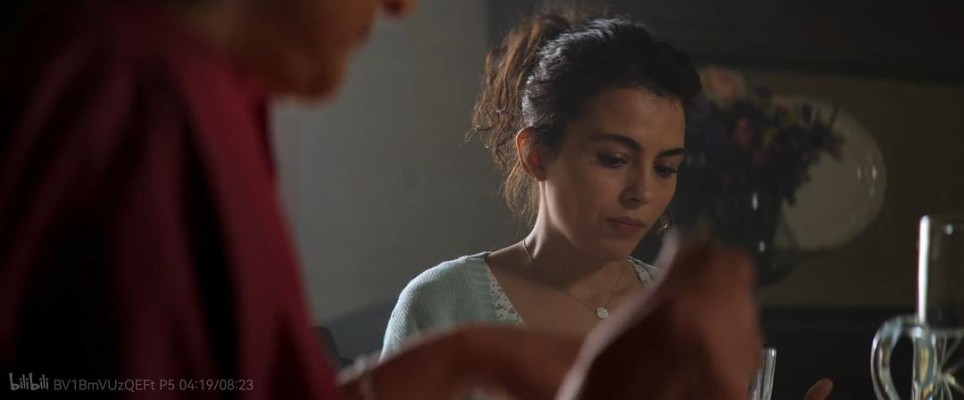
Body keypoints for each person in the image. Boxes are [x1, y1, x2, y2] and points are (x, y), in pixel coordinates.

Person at [0, 0, 802, 399]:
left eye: (666, 167)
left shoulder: (220, 103)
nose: (401, 6)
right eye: (614, 157)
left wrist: (474, 357)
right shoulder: (129, 91)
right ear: (537, 155)